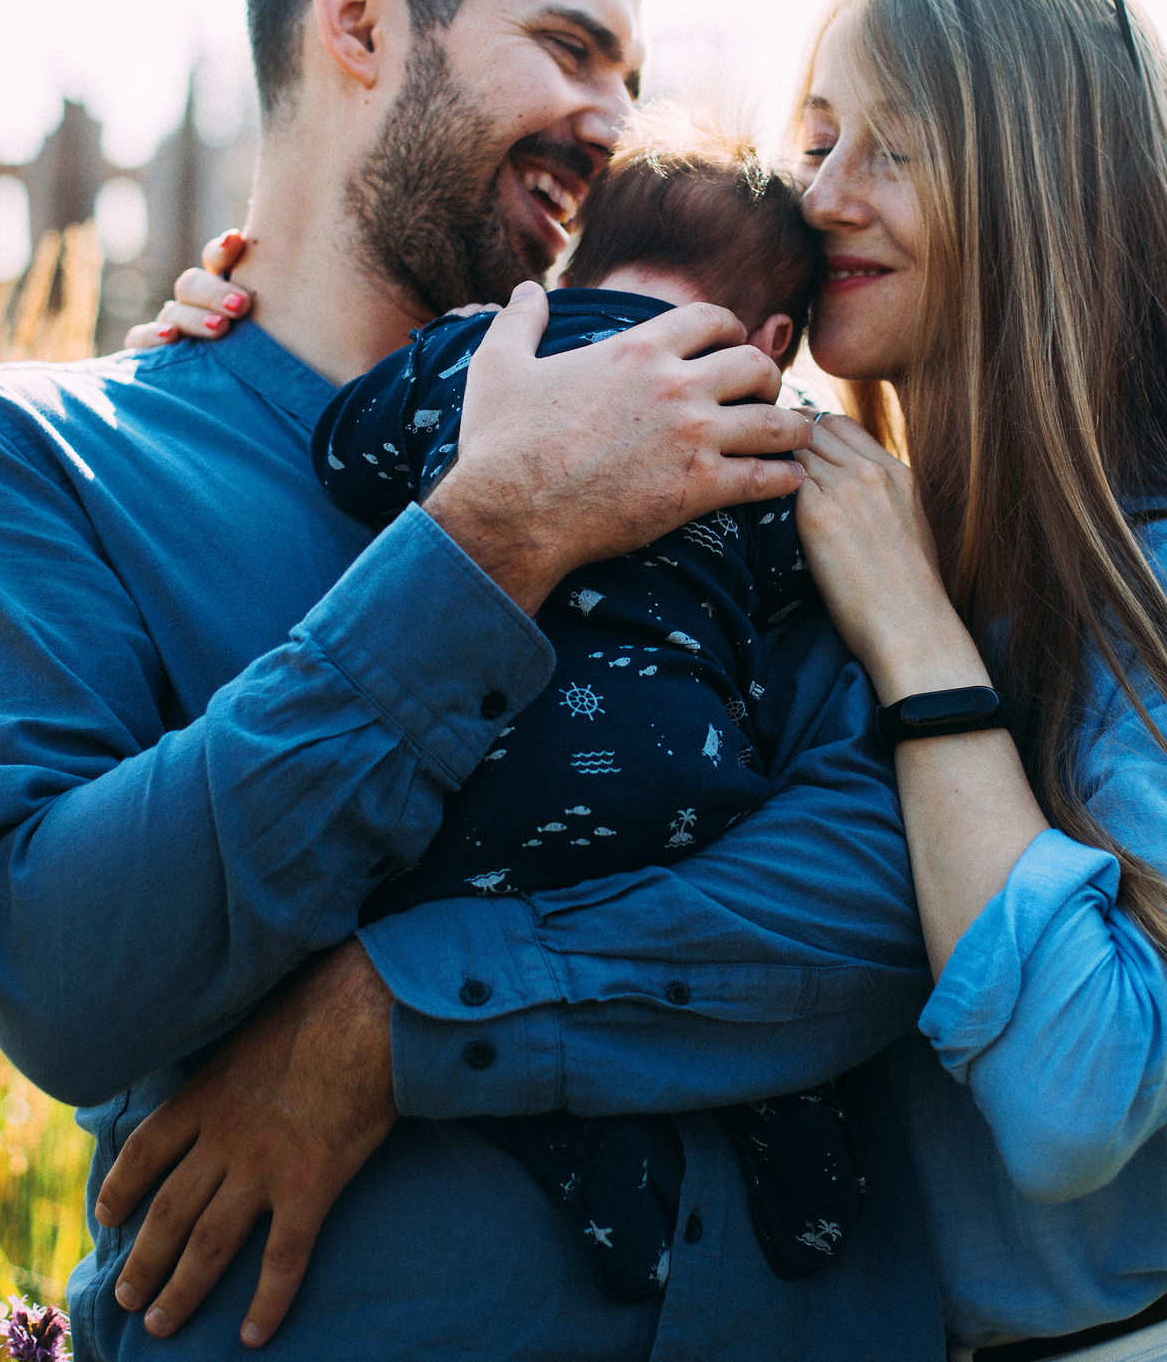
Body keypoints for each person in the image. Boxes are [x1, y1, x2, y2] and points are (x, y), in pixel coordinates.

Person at [147, 0, 1167, 1362]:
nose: (821, 197)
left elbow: (1073, 1102)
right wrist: (253, 330)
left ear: (1050, 191)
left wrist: (918, 639)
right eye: (816, 139)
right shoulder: (828, 522)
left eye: (895, 148)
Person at [0, 0, 943, 1362]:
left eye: (629, 81)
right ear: (360, 19)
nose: (611, 122)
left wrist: (392, 1016)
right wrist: (495, 534)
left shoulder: (725, 433)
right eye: (571, 48)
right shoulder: (27, 464)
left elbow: (887, 894)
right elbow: (67, 966)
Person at [318, 130, 861, 1300]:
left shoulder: (478, 348)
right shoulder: (760, 418)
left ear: (571, 267)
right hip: (684, 778)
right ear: (774, 342)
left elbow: (344, 449)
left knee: (481, 933)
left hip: (478, 776)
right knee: (705, 954)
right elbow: (800, 580)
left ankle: (589, 1174)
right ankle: (792, 1126)